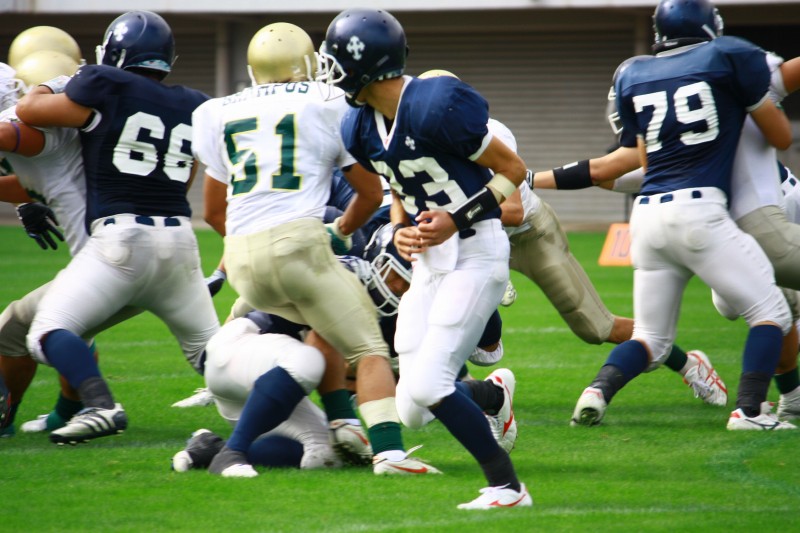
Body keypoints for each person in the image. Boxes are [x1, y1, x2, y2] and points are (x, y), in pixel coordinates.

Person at [194, 22, 437, 475]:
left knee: (322, 320)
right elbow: (369, 194)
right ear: (309, 62)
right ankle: (390, 453)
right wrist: (341, 230)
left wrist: (250, 238)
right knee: (369, 348)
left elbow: (211, 211)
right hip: (298, 247)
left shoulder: (218, 110)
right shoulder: (326, 102)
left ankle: (341, 421)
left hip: (241, 260)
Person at [535, 20, 800, 424]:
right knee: (771, 311)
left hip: (651, 218)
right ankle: (751, 409)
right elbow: (780, 136)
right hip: (711, 214)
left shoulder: (640, 78)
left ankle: (597, 391)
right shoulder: (729, 62)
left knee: (652, 337)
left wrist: (529, 178)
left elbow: (617, 169)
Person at [320, 8, 531, 509]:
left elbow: (513, 170)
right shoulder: (358, 125)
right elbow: (397, 184)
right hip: (430, 264)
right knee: (412, 407)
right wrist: (399, 229)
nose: (330, 73)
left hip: (477, 251)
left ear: (364, 64)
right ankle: (493, 395)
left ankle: (508, 487)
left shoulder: (438, 104)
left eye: (335, 61)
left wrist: (456, 219)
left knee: (431, 383)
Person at [16, 10, 221, 444]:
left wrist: (52, 83)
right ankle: (304, 410)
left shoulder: (104, 82)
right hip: (180, 240)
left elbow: (28, 109)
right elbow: (187, 173)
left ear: (115, 53)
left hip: (122, 240)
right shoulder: (196, 102)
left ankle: (100, 404)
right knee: (216, 357)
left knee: (48, 331)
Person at [172, 311, 344, 475]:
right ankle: (233, 452)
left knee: (328, 451)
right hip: (249, 351)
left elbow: (238, 310)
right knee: (309, 359)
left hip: (240, 360)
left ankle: (212, 448)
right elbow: (324, 344)